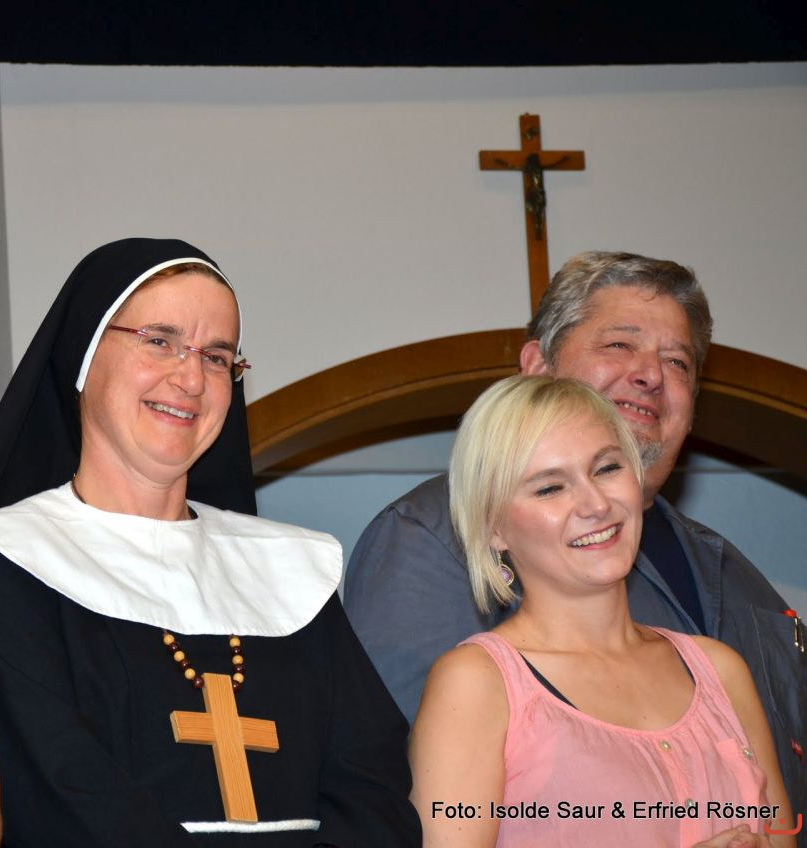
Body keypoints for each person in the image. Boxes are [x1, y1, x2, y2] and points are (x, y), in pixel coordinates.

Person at [0, 238, 420, 846]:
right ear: (83, 357)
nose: (192, 378)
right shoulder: (3, 562)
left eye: (217, 357)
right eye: (159, 341)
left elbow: (373, 784)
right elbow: (58, 791)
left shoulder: (288, 569)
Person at [342, 251, 805, 827]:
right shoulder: (432, 537)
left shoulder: (735, 575)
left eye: (677, 361)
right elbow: (401, 794)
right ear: (538, 365)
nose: (652, 374)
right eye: (620, 344)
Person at [410, 374, 793, 847]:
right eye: (550, 488)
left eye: (608, 468)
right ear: (494, 528)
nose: (595, 504)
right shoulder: (477, 684)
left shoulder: (720, 670)